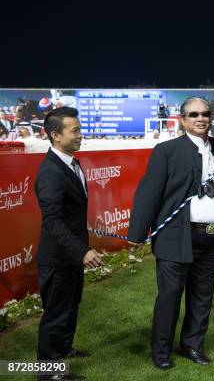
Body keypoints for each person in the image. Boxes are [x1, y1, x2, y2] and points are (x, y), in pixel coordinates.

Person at [128, 97, 214, 369]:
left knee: (203, 296)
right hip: (176, 237)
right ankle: (161, 352)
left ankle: (192, 345)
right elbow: (149, 193)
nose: (200, 119)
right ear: (183, 119)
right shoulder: (166, 150)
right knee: (169, 297)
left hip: (210, 238)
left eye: (204, 114)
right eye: (193, 115)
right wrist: (136, 233)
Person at [35, 107, 103, 381]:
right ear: (55, 135)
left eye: (79, 129)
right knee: (56, 314)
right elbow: (52, 221)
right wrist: (82, 251)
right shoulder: (51, 172)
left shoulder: (71, 163)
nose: (80, 135)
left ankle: (64, 349)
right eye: (74, 130)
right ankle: (48, 372)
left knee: (70, 306)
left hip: (70, 256)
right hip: (58, 259)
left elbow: (68, 213)